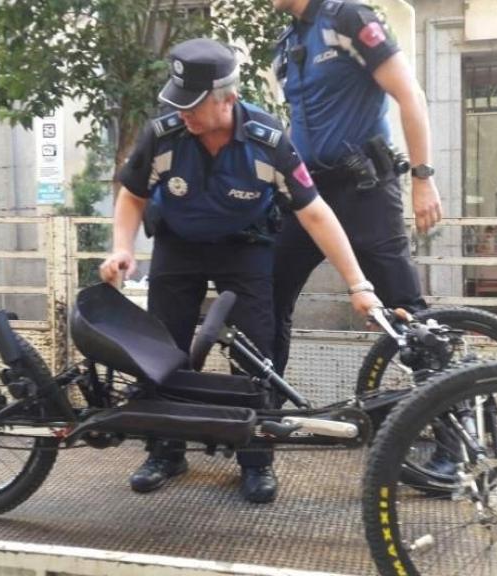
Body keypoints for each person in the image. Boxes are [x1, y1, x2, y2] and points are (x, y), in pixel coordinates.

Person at [99, 38, 381, 504]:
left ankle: (255, 458)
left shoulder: (269, 142)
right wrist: (121, 248)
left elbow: (314, 212)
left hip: (245, 249)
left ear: (227, 98)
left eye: (193, 104)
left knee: (256, 352)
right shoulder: (164, 135)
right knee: (163, 350)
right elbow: (132, 194)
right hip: (178, 246)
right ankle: (165, 451)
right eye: (178, 101)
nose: (183, 113)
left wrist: (358, 284)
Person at [270, 0, 444, 376]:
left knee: (405, 309)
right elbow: (299, 121)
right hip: (308, 197)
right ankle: (261, 410)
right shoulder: (287, 41)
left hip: (365, 190)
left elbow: (409, 93)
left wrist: (423, 177)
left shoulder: (347, 18)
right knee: (265, 297)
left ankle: (448, 413)